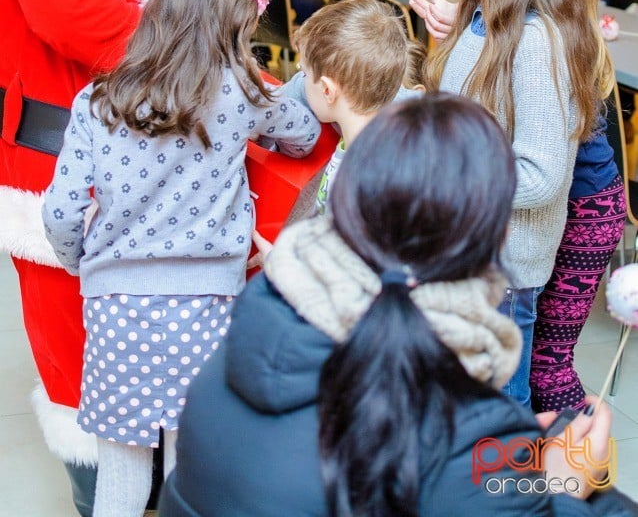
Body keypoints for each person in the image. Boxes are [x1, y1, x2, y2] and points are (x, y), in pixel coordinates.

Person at [159, 93, 630, 517]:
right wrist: (565, 487)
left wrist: (511, 457)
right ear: (498, 234)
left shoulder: (243, 337)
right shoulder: (464, 433)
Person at [0, 0, 238, 514]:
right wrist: (211, 63)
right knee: (80, 368)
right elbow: (78, 18)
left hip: (161, 157)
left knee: (166, 356)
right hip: (59, 164)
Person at [41, 0, 320, 517]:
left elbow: (61, 213)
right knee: (188, 473)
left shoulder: (98, 100)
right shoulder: (242, 93)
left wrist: (81, 260)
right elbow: (307, 133)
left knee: (121, 474)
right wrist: (260, 105)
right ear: (235, 20)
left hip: (117, 309)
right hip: (208, 309)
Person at [409, 0, 601, 408]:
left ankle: (505, 495)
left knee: (497, 427)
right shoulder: (483, 20)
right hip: (466, 257)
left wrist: (448, 167)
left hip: (504, 270)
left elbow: (540, 177)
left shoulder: (538, 42)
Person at [530, 0, 626, 412]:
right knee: (541, 354)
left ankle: (579, 464)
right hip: (579, 205)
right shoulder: (565, 22)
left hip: (587, 212)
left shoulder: (563, 35)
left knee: (549, 361)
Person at [294, 0, 409, 214]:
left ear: (327, 90)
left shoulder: (357, 182)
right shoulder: (380, 147)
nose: (302, 79)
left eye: (305, 73)